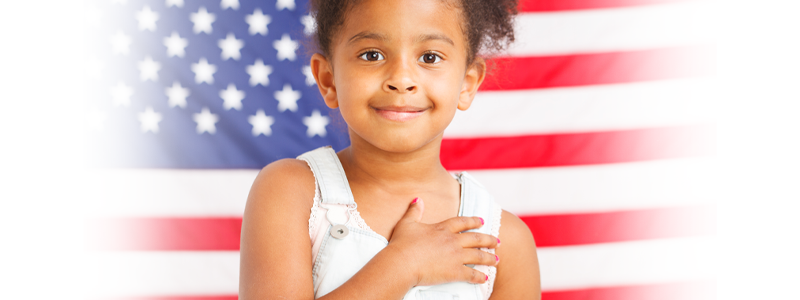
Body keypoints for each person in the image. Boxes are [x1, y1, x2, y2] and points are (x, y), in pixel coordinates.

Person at [240, 0, 540, 298]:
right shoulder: (291, 193)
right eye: (372, 55)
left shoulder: (503, 242)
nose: (401, 79)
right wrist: (404, 265)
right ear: (328, 79)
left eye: (430, 57)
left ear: (468, 83)